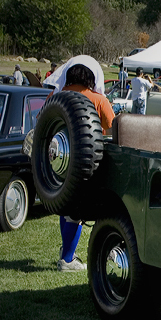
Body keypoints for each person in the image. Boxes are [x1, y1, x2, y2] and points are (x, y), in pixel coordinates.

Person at [43, 55, 116, 272]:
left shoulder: (55, 98)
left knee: (65, 206)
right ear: (91, 79)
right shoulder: (98, 100)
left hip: (57, 162)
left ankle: (67, 252)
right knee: (77, 211)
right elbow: (113, 129)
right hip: (86, 163)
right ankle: (67, 259)